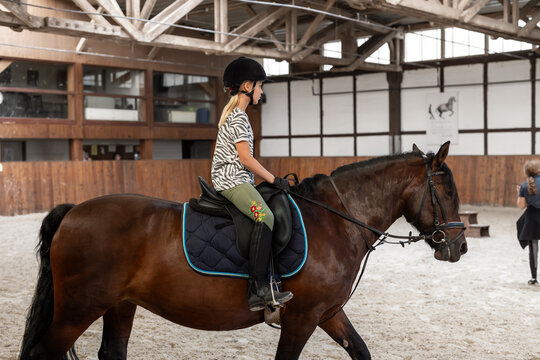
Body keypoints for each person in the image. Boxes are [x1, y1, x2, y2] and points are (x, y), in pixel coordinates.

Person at [211, 57, 293, 311]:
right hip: (232, 181)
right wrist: (274, 179)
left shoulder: (237, 116)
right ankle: (258, 289)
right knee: (265, 217)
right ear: (247, 86)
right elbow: (246, 159)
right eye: (259, 86)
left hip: (236, 179)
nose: (261, 91)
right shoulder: (238, 118)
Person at [516, 159, 540, 285]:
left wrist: (519, 193)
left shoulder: (525, 185)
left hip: (532, 220)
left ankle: (534, 277)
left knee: (533, 249)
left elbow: (521, 206)